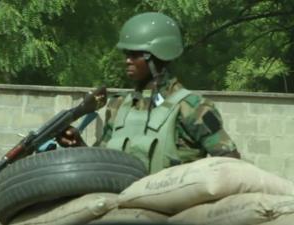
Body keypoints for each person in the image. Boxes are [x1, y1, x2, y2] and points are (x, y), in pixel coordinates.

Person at [57, 12, 240, 173]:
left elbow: (229, 162)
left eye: (135, 54)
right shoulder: (118, 106)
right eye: (126, 54)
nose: (127, 60)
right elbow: (103, 163)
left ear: (157, 55)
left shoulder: (192, 108)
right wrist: (78, 145)